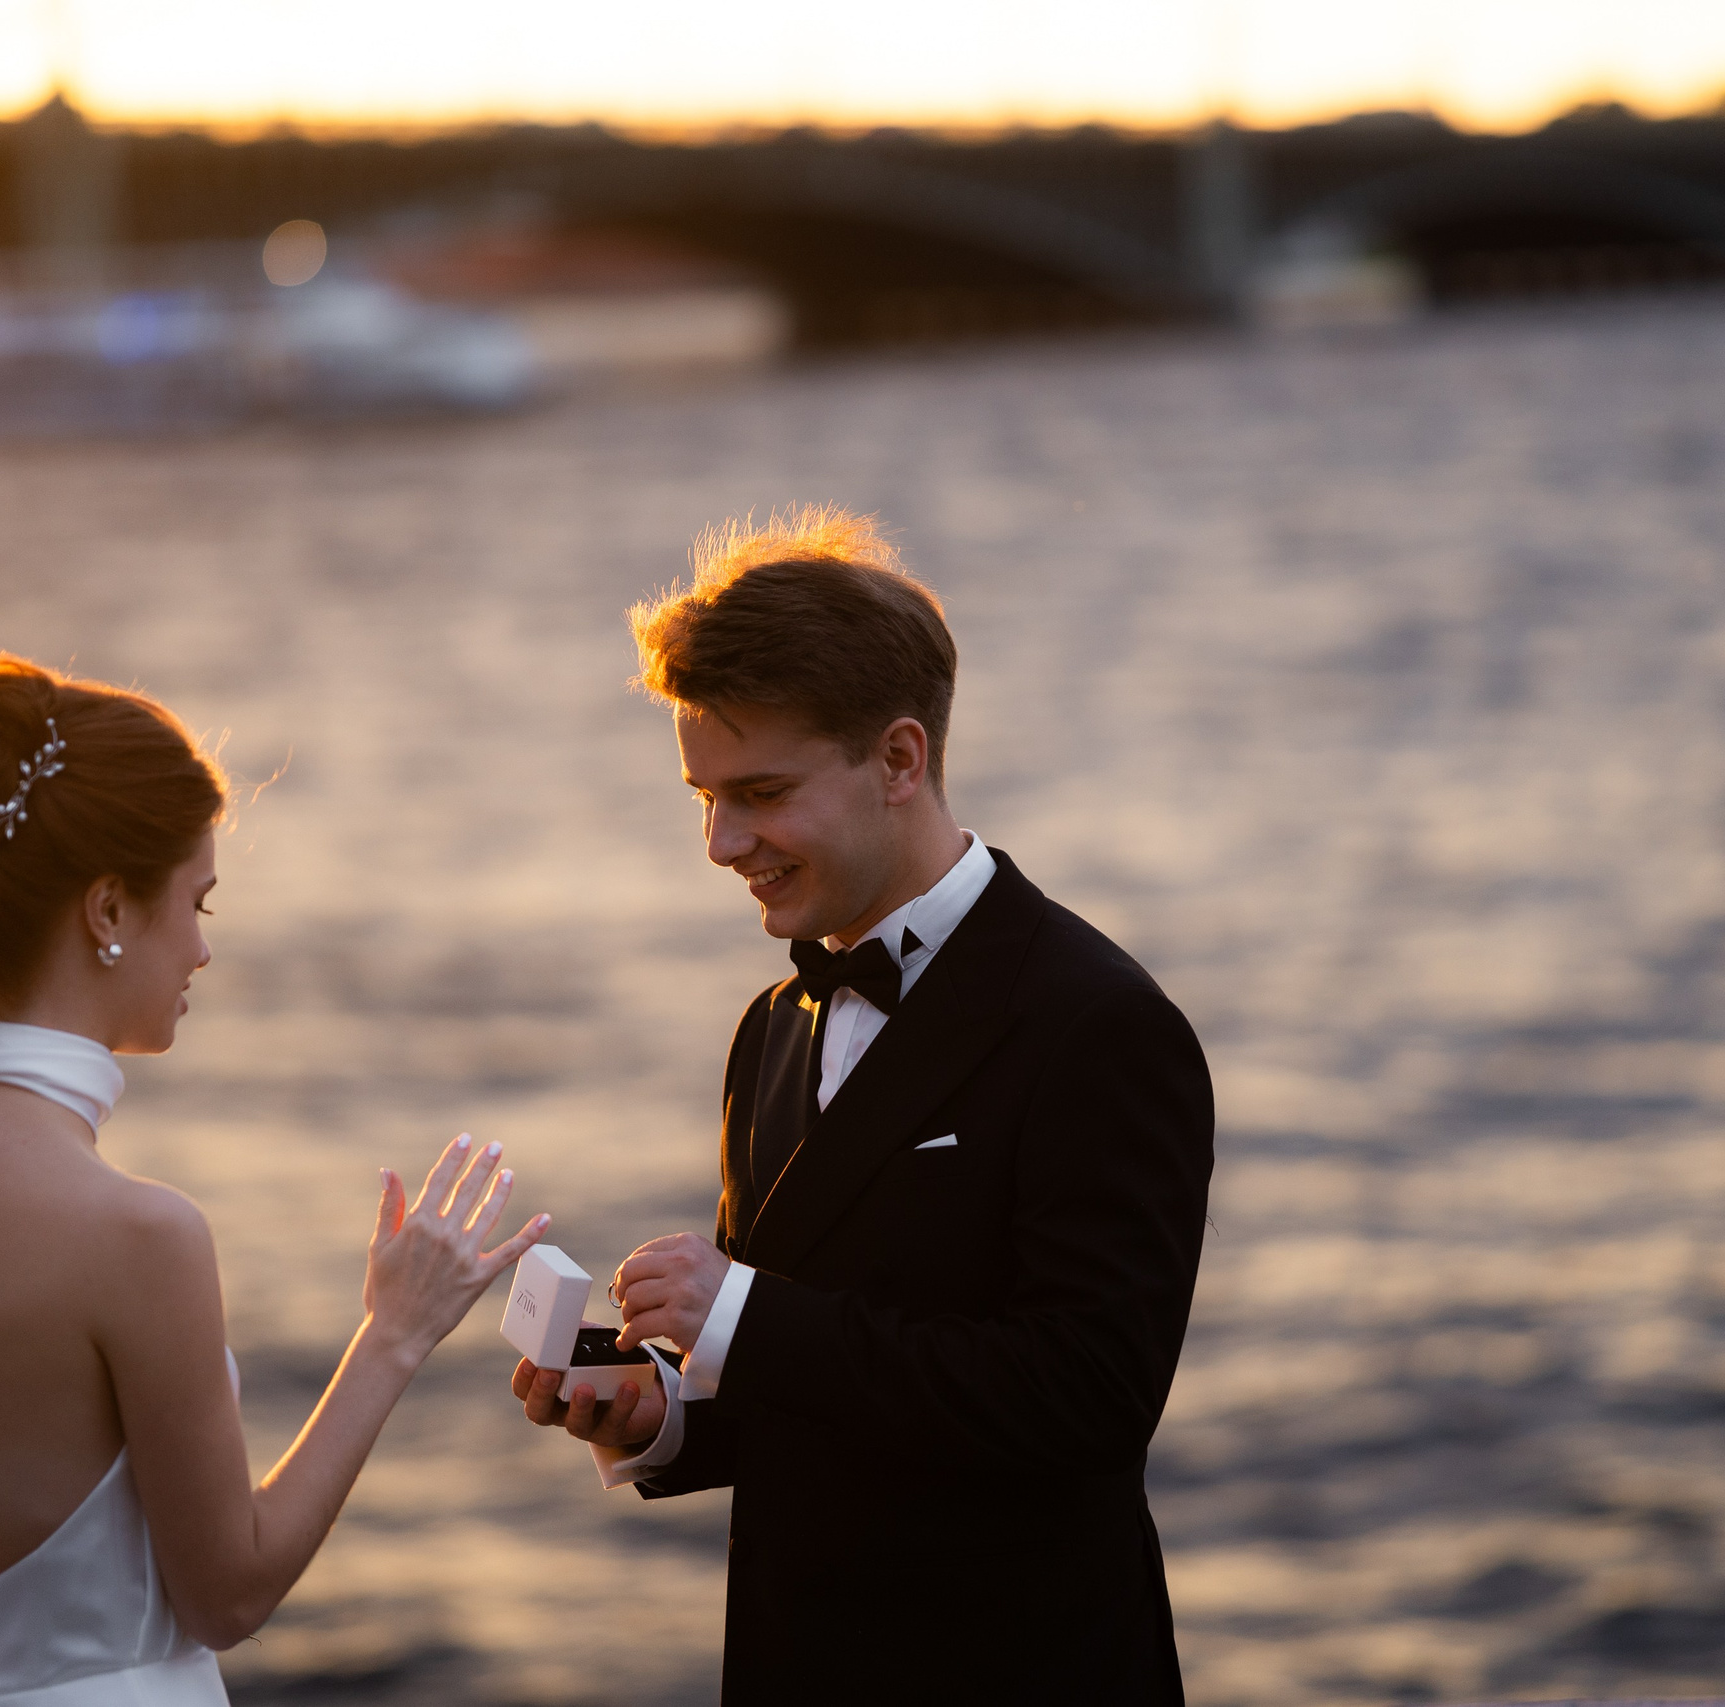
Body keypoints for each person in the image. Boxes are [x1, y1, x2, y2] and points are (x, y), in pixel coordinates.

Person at [511, 508, 1215, 1703]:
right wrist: (655, 1413)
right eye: (703, 795)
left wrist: (742, 1312)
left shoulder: (1096, 1023)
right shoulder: (766, 1033)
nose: (722, 841)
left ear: (899, 760)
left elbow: (1089, 1400)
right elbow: (809, 1391)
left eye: (762, 792)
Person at [0, 651, 546, 1707]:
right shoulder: (134, 1235)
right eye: (197, 903)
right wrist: (394, 1333)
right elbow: (229, 1592)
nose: (201, 952)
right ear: (106, 912)